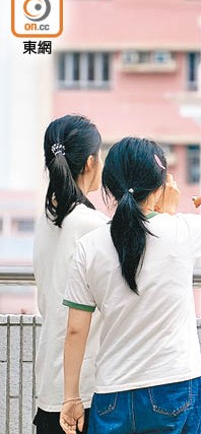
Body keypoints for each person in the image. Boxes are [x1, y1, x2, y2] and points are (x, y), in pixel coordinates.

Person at [59, 137, 201, 434]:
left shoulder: (88, 247)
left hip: (113, 391)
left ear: (109, 187)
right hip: (175, 384)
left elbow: (76, 330)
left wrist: (71, 397)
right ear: (160, 187)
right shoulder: (181, 230)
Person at [33, 115, 107, 434]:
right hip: (84, 390)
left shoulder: (47, 217)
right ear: (91, 162)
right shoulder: (92, 224)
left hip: (51, 380)